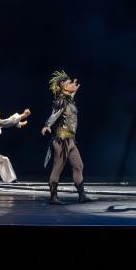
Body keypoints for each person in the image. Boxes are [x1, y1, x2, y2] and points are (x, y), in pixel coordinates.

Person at [41, 71, 87, 204]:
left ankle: (82, 195)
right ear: (63, 85)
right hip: (61, 139)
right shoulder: (60, 101)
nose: (73, 84)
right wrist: (47, 125)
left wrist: (73, 91)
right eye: (70, 83)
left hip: (71, 140)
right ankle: (53, 197)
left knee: (78, 165)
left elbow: (70, 99)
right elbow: (54, 115)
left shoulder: (68, 100)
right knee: (58, 167)